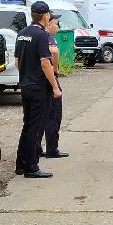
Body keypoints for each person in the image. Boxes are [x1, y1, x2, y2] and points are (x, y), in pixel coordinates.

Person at [14, 0, 61, 179]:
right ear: (46, 16)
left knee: (27, 126)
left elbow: (17, 62)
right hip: (39, 88)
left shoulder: (22, 33)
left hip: (25, 85)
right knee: (36, 128)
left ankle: (21, 164)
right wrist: (55, 87)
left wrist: (27, 75)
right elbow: (45, 63)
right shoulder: (41, 35)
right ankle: (32, 167)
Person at [42, 13, 68, 159]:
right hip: (49, 78)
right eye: (56, 24)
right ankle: (52, 148)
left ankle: (37, 148)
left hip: (36, 80)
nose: (58, 27)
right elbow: (54, 51)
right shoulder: (48, 37)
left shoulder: (33, 34)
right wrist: (56, 69)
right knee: (54, 114)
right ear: (48, 23)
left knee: (39, 116)